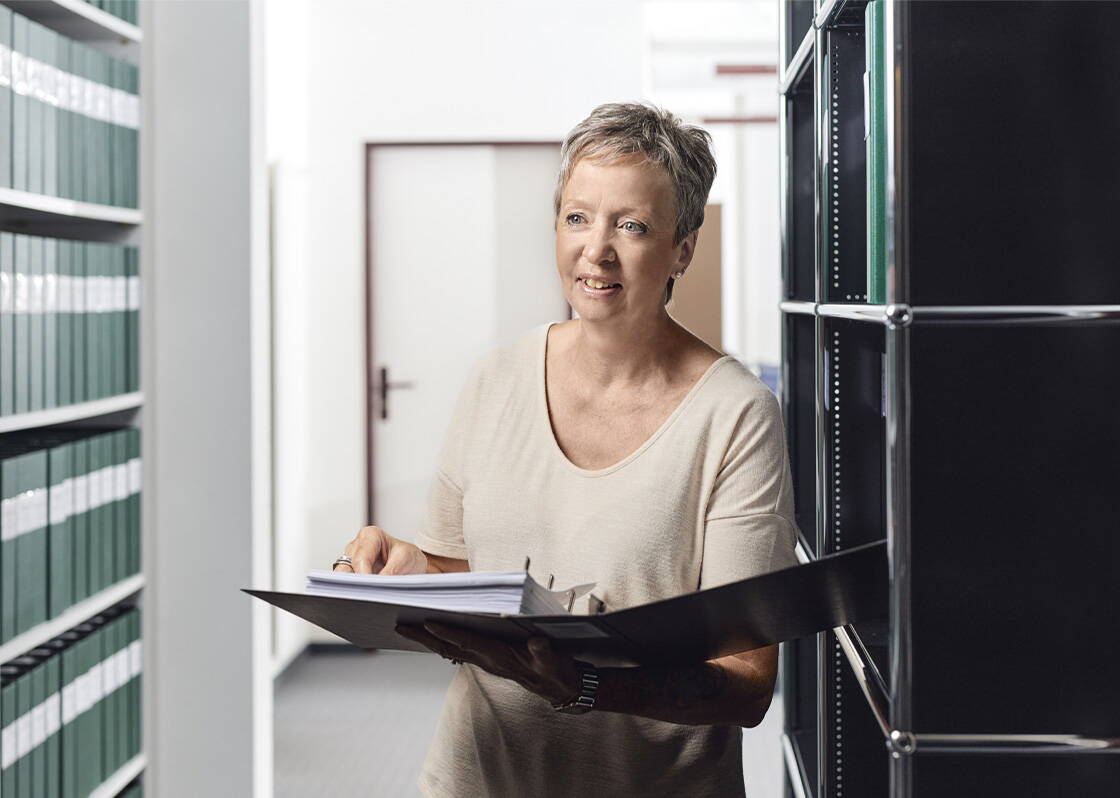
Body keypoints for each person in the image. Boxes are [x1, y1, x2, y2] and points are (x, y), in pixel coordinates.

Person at [334, 102, 798, 797]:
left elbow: (746, 684)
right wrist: (409, 570)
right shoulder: (495, 378)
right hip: (477, 778)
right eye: (578, 217)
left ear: (683, 248)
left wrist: (585, 685)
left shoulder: (736, 415)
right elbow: (465, 574)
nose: (596, 250)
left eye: (632, 226)